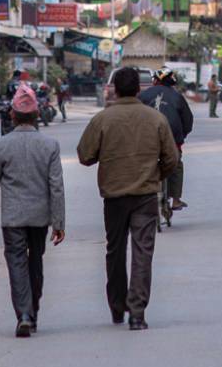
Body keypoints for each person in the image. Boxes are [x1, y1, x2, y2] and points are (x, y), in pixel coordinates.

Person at [77, 66, 180, 330]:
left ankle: (116, 307)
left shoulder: (103, 119)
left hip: (114, 196)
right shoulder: (155, 119)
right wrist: (155, 175)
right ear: (138, 90)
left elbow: (85, 156)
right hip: (145, 194)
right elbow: (172, 159)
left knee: (115, 251)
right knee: (142, 253)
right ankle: (137, 313)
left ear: (114, 89)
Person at [0, 86, 65, 338]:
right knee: (35, 261)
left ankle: (24, 315)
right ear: (37, 115)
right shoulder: (50, 145)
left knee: (16, 262)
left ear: (13, 115)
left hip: (13, 218)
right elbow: (56, 187)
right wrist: (58, 222)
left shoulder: (1, 145)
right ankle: (33, 311)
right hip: (40, 217)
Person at [139, 69, 194, 211]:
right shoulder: (177, 96)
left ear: (155, 80)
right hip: (172, 140)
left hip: (146, 141)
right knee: (176, 164)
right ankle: (176, 200)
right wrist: (182, 136)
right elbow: (188, 121)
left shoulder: (143, 96)